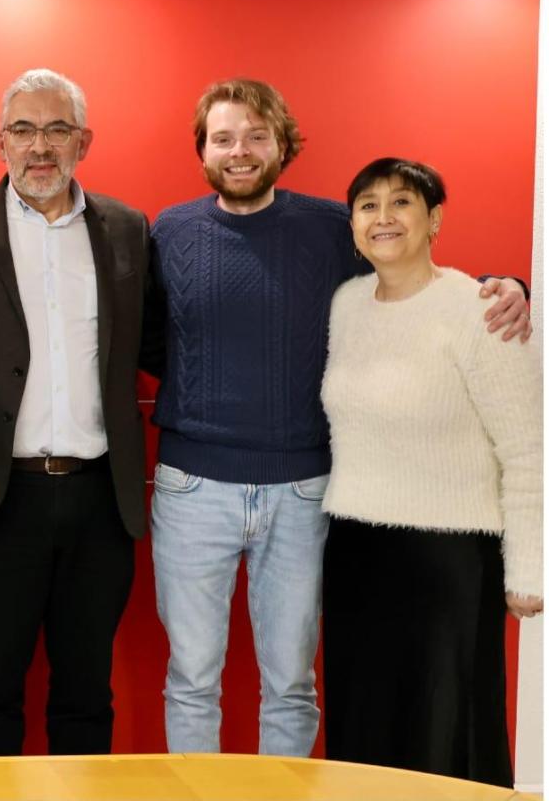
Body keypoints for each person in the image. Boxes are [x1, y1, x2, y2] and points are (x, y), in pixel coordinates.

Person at [146, 79, 529, 756]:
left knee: (292, 682)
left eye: (256, 135)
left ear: (281, 144)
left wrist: (506, 286)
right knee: (191, 678)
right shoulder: (169, 231)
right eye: (224, 137)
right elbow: (146, 337)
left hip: (303, 490)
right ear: (203, 149)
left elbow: (409, 276)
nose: (240, 150)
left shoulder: (331, 227)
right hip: (191, 486)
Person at [320, 157, 541, 786]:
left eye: (402, 203)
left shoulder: (482, 311)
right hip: (356, 552)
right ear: (353, 224)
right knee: (363, 729)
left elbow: (526, 452)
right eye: (367, 205)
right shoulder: (345, 304)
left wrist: (527, 570)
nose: (383, 217)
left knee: (446, 733)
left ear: (434, 219)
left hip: (451, 560)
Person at [0, 68, 152, 756]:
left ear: (83, 141)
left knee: (86, 697)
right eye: (24, 130)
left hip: (100, 500)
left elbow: (164, 339)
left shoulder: (126, 229)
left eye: (57, 129)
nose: (41, 147)